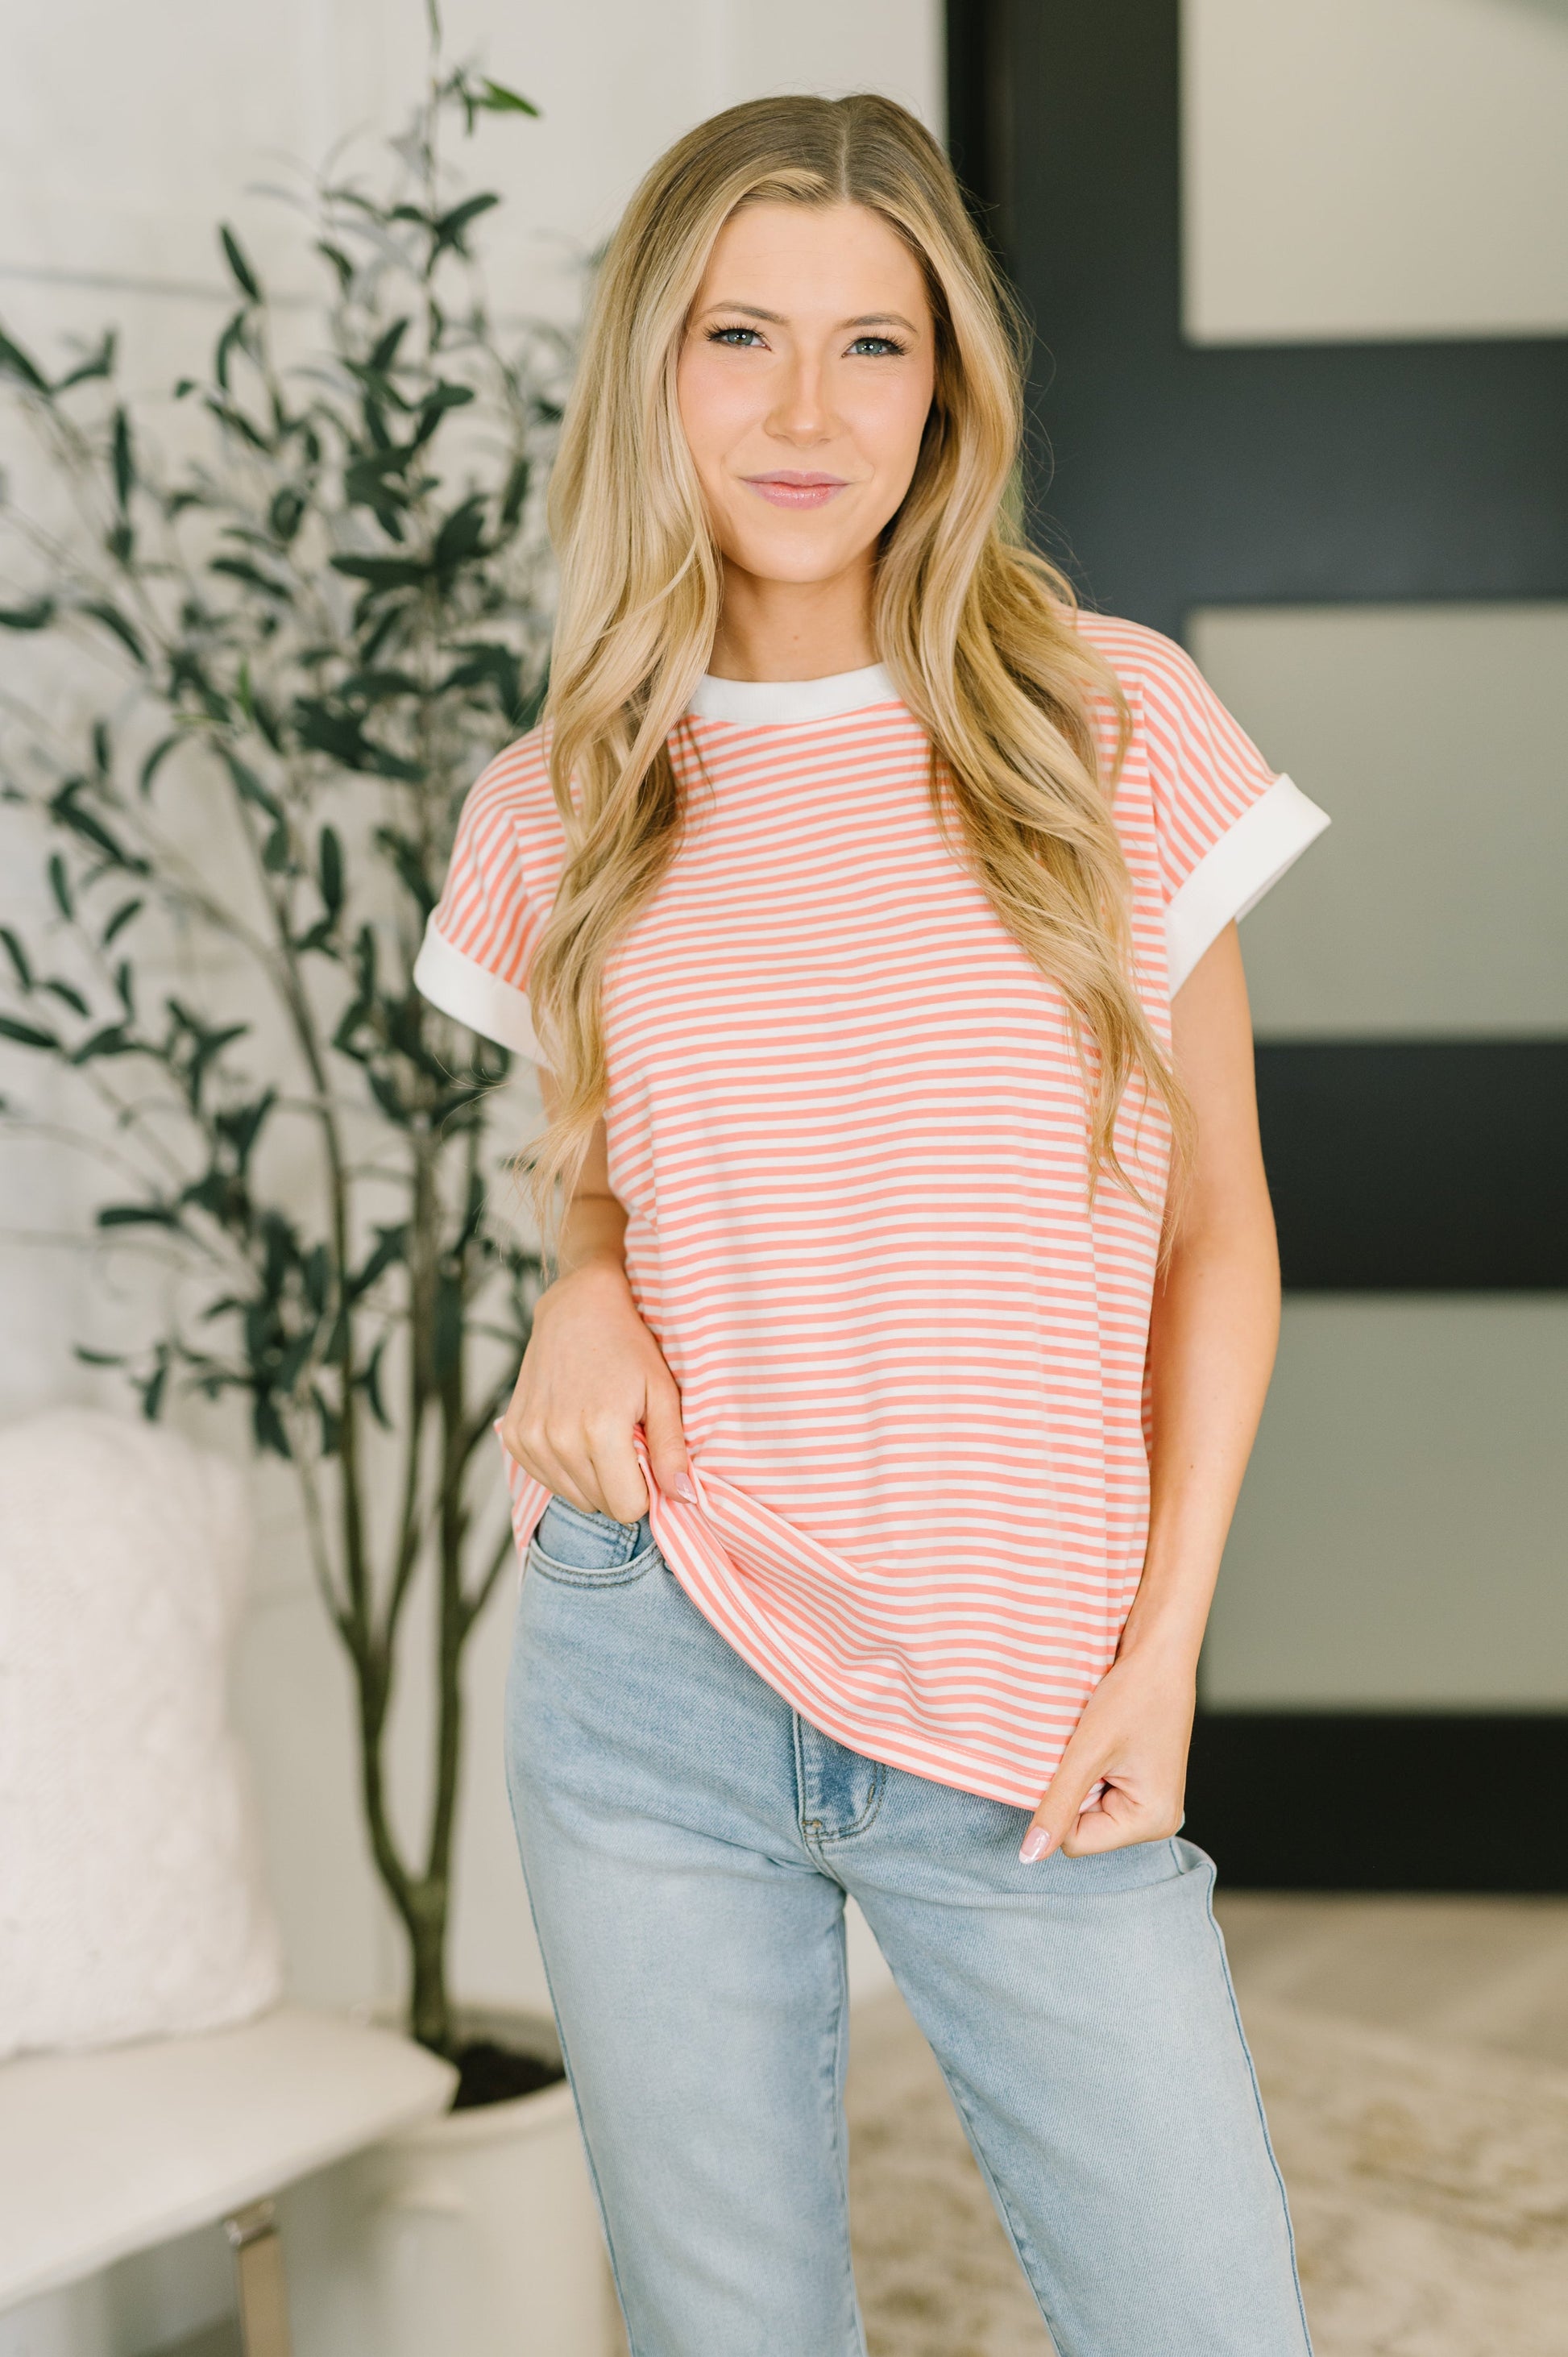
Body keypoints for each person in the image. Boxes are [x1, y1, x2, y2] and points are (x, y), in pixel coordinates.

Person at [414, 91, 1328, 2357]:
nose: (804, 410)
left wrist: (1165, 1639)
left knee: (1201, 2324)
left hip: (1029, 1683)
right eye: (741, 335)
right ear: (655, 366)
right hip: (655, 1668)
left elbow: (1221, 1228)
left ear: (949, 395)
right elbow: (612, 1192)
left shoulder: (1100, 722)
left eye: (872, 346)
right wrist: (584, 1287)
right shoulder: (561, 796)